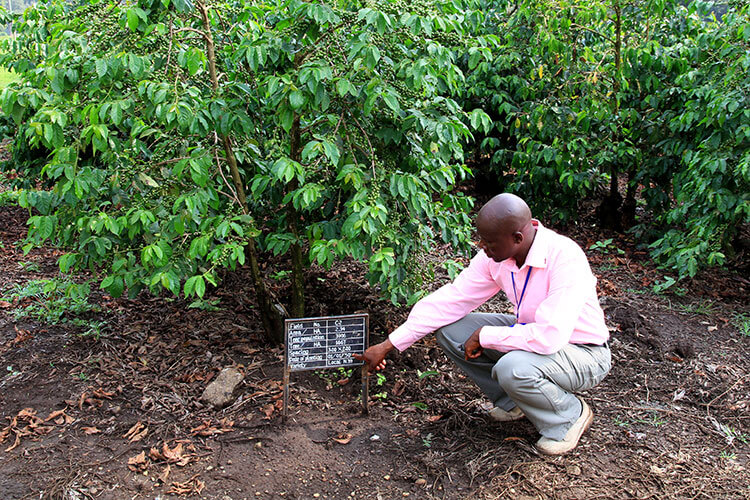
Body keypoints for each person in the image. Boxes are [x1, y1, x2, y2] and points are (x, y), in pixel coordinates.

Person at [354, 193, 611, 455]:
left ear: (517, 238)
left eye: (489, 242)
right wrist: (389, 344)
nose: (483, 247)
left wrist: (486, 336)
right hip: (534, 338)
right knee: (452, 331)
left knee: (513, 368)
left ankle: (568, 417)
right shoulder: (497, 257)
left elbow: (549, 336)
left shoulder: (565, 258)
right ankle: (514, 402)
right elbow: (452, 299)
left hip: (583, 352)